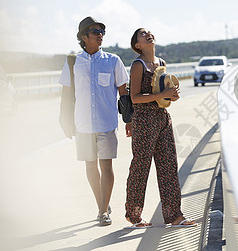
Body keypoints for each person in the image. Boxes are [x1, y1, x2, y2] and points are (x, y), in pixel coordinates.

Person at [59, 17, 129, 226]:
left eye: (102, 32)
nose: (100, 35)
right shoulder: (73, 62)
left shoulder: (113, 60)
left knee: (106, 165)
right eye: (95, 31)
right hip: (82, 124)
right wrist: (65, 121)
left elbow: (123, 93)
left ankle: (102, 211)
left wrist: (129, 120)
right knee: (90, 166)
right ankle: (102, 203)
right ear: (83, 37)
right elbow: (66, 94)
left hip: (107, 123)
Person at [124, 28, 196, 229]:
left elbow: (162, 94)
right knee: (141, 167)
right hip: (144, 119)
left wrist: (171, 95)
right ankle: (134, 215)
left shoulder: (162, 63)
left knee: (169, 166)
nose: (148, 35)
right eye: (142, 34)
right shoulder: (138, 65)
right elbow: (135, 98)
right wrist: (161, 94)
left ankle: (174, 215)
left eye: (149, 32)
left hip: (162, 117)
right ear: (137, 45)